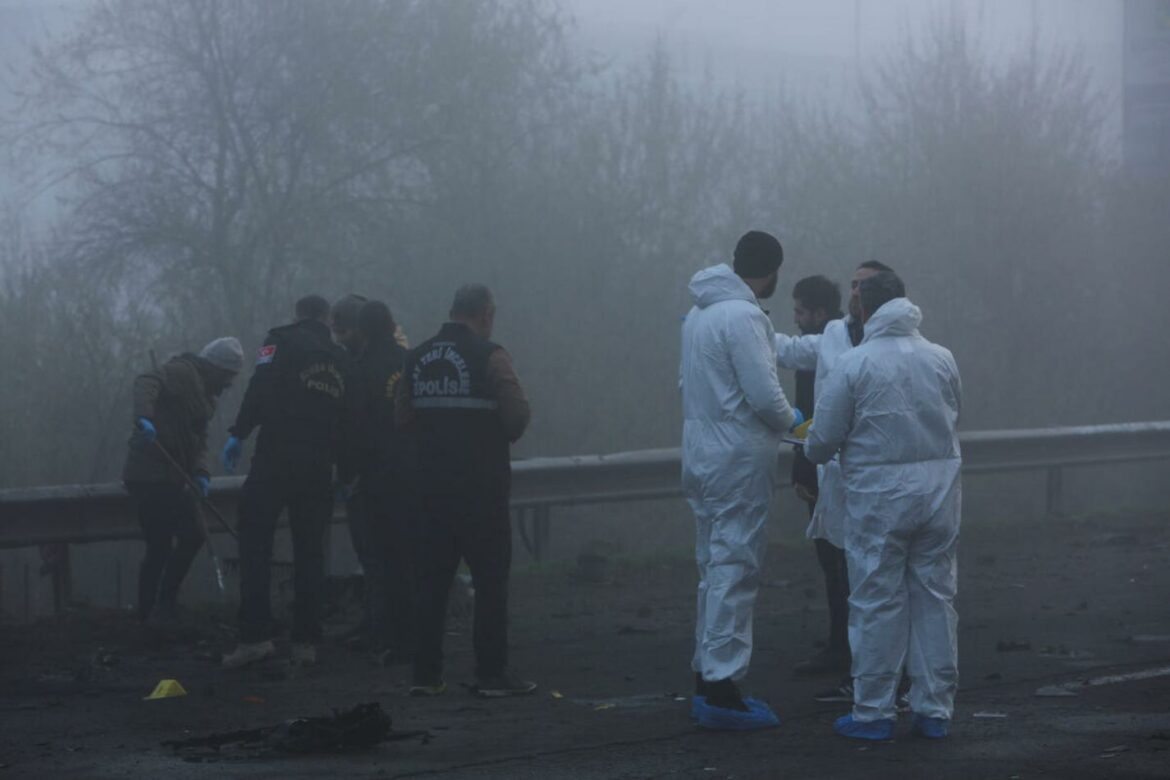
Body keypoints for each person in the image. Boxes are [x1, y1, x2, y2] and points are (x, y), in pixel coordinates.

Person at [804, 271, 962, 741]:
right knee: (935, 600)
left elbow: (822, 443)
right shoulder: (942, 358)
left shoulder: (854, 364)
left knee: (876, 601)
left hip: (879, 503)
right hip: (939, 498)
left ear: (865, 310)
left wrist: (808, 441)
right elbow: (955, 416)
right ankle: (934, 709)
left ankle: (872, 712)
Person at [680, 230, 801, 730]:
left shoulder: (699, 312)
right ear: (770, 271)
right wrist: (801, 423)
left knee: (712, 563)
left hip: (700, 450)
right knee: (737, 565)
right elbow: (765, 396)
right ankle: (722, 688)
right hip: (737, 456)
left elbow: (686, 382)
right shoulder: (747, 315)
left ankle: (706, 670)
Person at [396, 284, 533, 698]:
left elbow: (401, 418)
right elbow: (516, 417)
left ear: (453, 310)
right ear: (486, 314)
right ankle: (491, 674)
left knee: (431, 583)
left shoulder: (416, 357)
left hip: (430, 490)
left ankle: (425, 675)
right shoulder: (491, 356)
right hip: (481, 491)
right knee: (490, 582)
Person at [773, 260, 893, 693]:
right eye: (854, 284)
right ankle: (844, 649)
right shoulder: (832, 336)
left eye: (866, 285)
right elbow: (786, 350)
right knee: (835, 559)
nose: (857, 292)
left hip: (875, 471)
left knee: (873, 568)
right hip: (833, 468)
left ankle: (878, 666)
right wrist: (737, 324)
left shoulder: (900, 343)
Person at [220, 295, 351, 669]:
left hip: (276, 457)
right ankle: (306, 641)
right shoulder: (340, 357)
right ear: (326, 318)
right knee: (311, 551)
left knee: (255, 540)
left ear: (298, 314)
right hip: (319, 464)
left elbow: (260, 387)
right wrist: (343, 467)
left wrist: (238, 432)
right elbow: (347, 417)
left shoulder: (280, 338)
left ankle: (255, 637)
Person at [122, 338, 243, 624]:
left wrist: (202, 473)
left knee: (191, 536)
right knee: (161, 544)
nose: (228, 384)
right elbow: (146, 382)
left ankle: (162, 605)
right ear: (214, 368)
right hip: (149, 474)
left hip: (174, 477)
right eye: (227, 377)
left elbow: (199, 441)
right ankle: (151, 611)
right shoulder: (181, 372)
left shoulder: (206, 398)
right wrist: (144, 419)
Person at [339, 300, 417, 665]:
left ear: (364, 330)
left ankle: (379, 628)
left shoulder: (359, 369)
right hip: (408, 470)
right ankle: (405, 629)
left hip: (371, 474)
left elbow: (353, 427)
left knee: (374, 555)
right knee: (403, 552)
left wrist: (346, 473)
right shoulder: (410, 361)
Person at [786, 275, 849, 676]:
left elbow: (810, 412)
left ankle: (841, 646)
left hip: (823, 463)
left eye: (800, 311)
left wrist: (803, 465)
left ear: (819, 313)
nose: (796, 319)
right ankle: (843, 640)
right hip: (829, 462)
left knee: (833, 559)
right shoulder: (846, 340)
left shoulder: (821, 349)